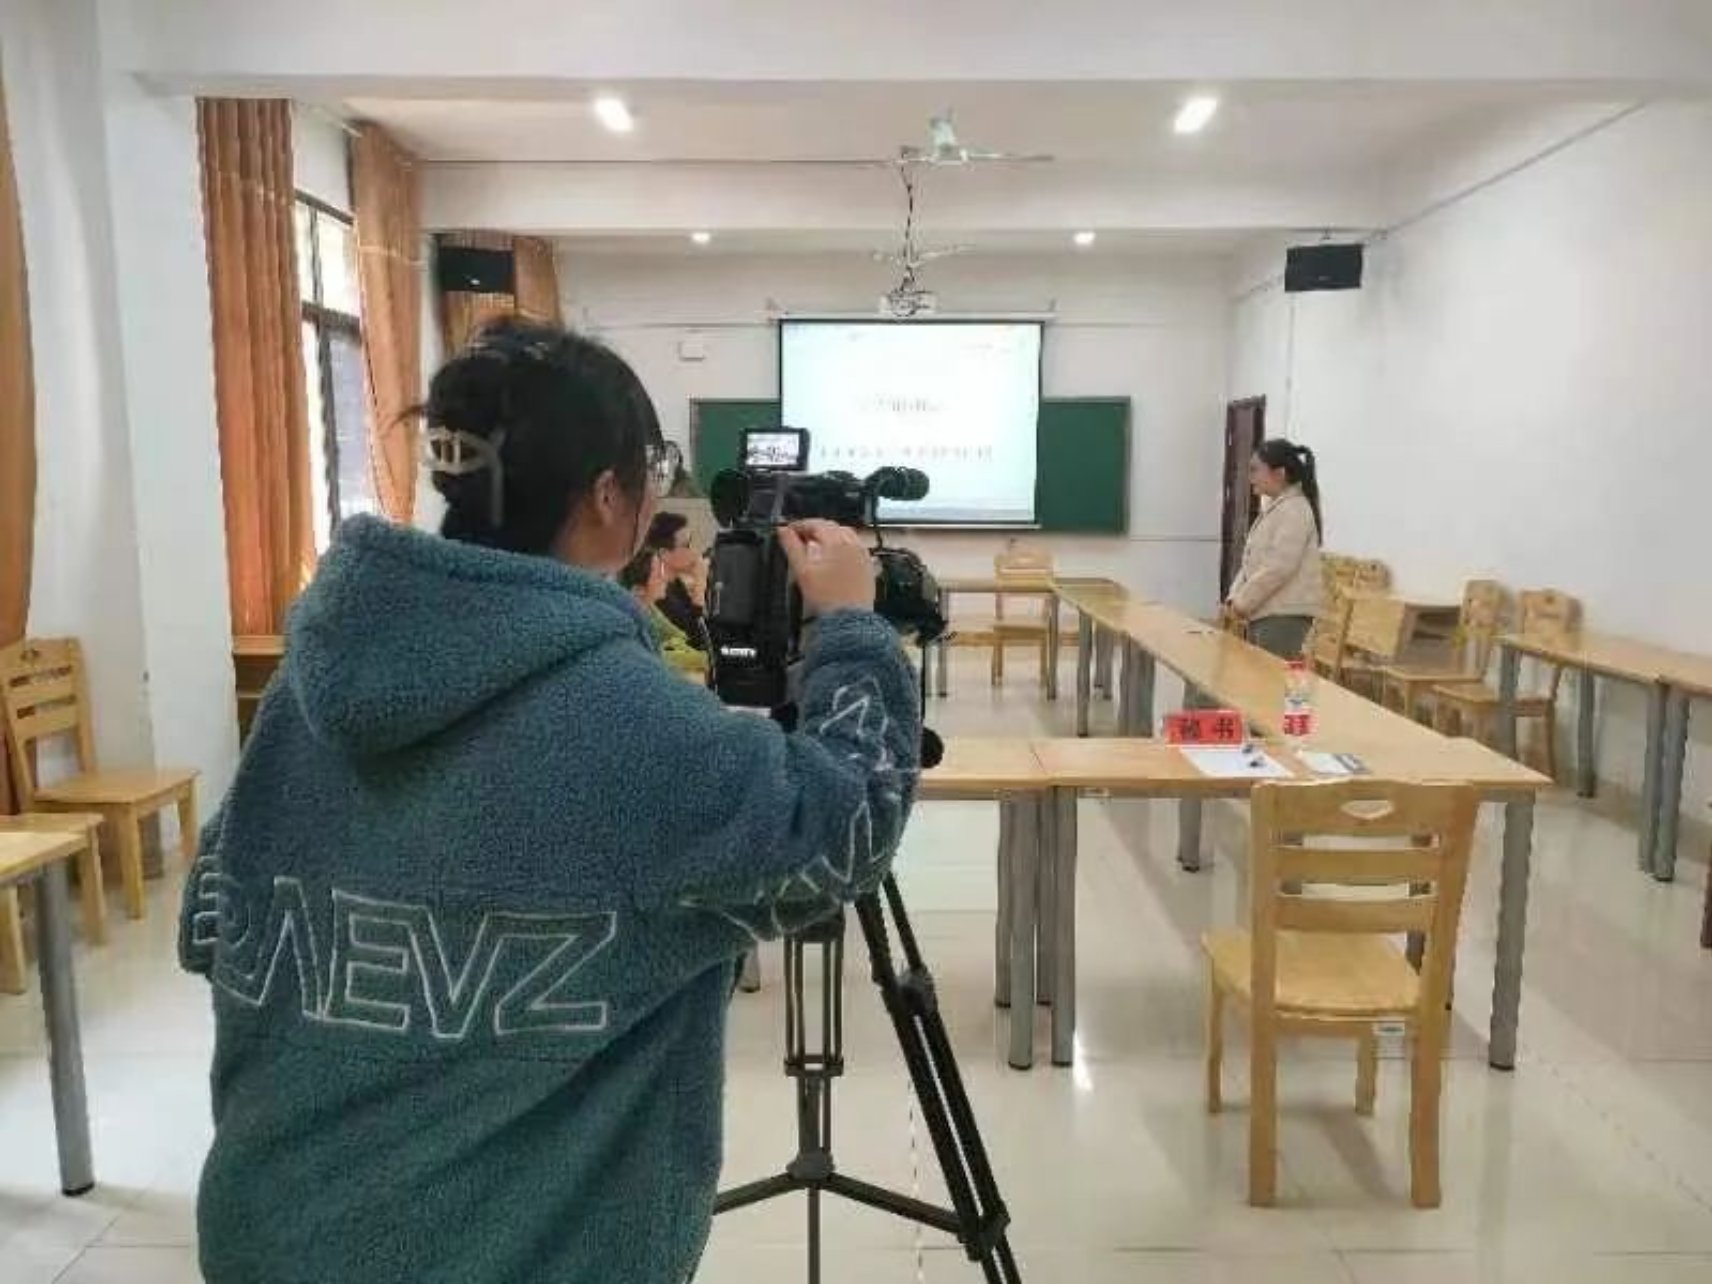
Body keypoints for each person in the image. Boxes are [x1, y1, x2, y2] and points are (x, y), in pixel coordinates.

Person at [178, 317, 920, 1284]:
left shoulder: (316, 678)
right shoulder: (626, 717)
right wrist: (853, 625)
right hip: (509, 1251)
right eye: (652, 469)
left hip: (271, 1230)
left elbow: (210, 918)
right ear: (609, 495)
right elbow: (847, 825)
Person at [1224, 437, 1324, 659]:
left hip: (1282, 617)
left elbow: (1278, 567)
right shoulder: (1277, 508)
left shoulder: (1295, 510)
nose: (1251, 478)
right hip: (1266, 613)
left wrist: (1243, 602)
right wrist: (1234, 598)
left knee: (1267, 680)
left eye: (1255, 470)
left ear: (1279, 474)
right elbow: (1251, 563)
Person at [620, 544, 707, 677]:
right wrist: (703, 659)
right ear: (639, 590)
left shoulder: (651, 608)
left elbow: (681, 636)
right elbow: (656, 657)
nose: (664, 577)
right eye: (658, 574)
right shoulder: (631, 622)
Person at [644, 510, 709, 651]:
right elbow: (696, 637)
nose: (693, 552)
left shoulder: (674, 583)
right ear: (664, 554)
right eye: (686, 546)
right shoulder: (659, 594)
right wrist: (700, 584)